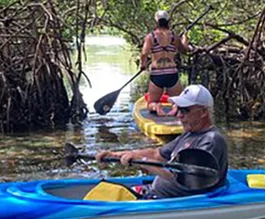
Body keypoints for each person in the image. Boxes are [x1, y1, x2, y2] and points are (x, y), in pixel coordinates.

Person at [95, 85, 228, 198]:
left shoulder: (211, 140)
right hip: (153, 193)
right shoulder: (189, 134)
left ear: (203, 112)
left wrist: (144, 163)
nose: (179, 115)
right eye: (179, 109)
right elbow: (156, 154)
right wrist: (116, 155)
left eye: (185, 110)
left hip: (176, 201)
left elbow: (185, 178)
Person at [140, 10, 194, 115]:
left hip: (157, 74)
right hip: (172, 73)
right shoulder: (174, 36)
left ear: (156, 21)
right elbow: (184, 50)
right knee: (178, 102)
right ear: (168, 21)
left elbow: (144, 53)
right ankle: (175, 108)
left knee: (151, 103)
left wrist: (143, 65)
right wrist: (184, 41)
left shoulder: (151, 37)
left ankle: (156, 106)